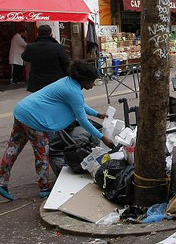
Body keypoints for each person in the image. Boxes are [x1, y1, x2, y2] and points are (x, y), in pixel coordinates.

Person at [0, 60, 114, 201]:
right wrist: (103, 137)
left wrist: (97, 114)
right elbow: (83, 120)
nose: (92, 84)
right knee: (42, 154)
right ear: (84, 80)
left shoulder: (68, 82)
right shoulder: (73, 91)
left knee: (13, 149)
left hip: (22, 111)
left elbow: (80, 106)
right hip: (35, 121)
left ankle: (1, 183)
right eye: (92, 81)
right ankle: (44, 188)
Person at [22, 25, 70, 92]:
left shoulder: (31, 47)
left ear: (38, 34)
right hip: (56, 81)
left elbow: (24, 57)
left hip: (37, 82)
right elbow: (66, 63)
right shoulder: (58, 47)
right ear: (51, 34)